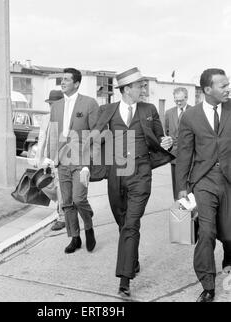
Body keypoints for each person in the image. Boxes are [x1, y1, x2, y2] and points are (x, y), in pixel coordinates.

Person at [82, 67, 174, 297]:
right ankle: (132, 258)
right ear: (126, 89)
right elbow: (93, 139)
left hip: (142, 172)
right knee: (123, 222)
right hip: (116, 173)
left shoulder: (149, 110)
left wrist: (166, 142)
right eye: (139, 86)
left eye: (143, 85)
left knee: (131, 223)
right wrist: (85, 165)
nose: (143, 90)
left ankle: (125, 280)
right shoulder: (107, 111)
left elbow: (160, 138)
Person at [176, 68, 231, 302]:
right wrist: (181, 190)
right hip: (203, 181)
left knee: (229, 233)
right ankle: (208, 285)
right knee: (206, 232)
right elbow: (184, 154)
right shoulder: (190, 117)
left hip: (229, 180)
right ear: (207, 90)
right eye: (223, 86)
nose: (228, 89)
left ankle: (228, 264)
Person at [44, 68, 100, 254]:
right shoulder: (56, 106)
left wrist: (88, 164)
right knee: (67, 202)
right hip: (62, 161)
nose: (63, 82)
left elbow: (96, 134)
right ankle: (74, 237)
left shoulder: (90, 103)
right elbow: (52, 133)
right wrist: (49, 157)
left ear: (76, 83)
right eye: (62, 79)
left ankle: (89, 226)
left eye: (67, 79)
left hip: (80, 160)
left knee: (78, 199)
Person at [34, 90, 66, 231]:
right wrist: (38, 158)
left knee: (60, 187)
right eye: (50, 104)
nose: (51, 107)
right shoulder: (46, 118)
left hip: (63, 159)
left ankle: (62, 217)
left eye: (54, 104)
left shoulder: (66, 117)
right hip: (48, 159)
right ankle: (64, 204)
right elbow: (42, 138)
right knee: (44, 184)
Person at [165, 87, 192, 200]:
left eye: (181, 100)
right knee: (176, 186)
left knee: (189, 187)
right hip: (175, 156)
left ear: (186, 98)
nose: (179, 102)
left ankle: (192, 212)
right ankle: (179, 212)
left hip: (190, 156)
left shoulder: (193, 111)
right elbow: (166, 131)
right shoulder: (169, 113)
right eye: (176, 100)